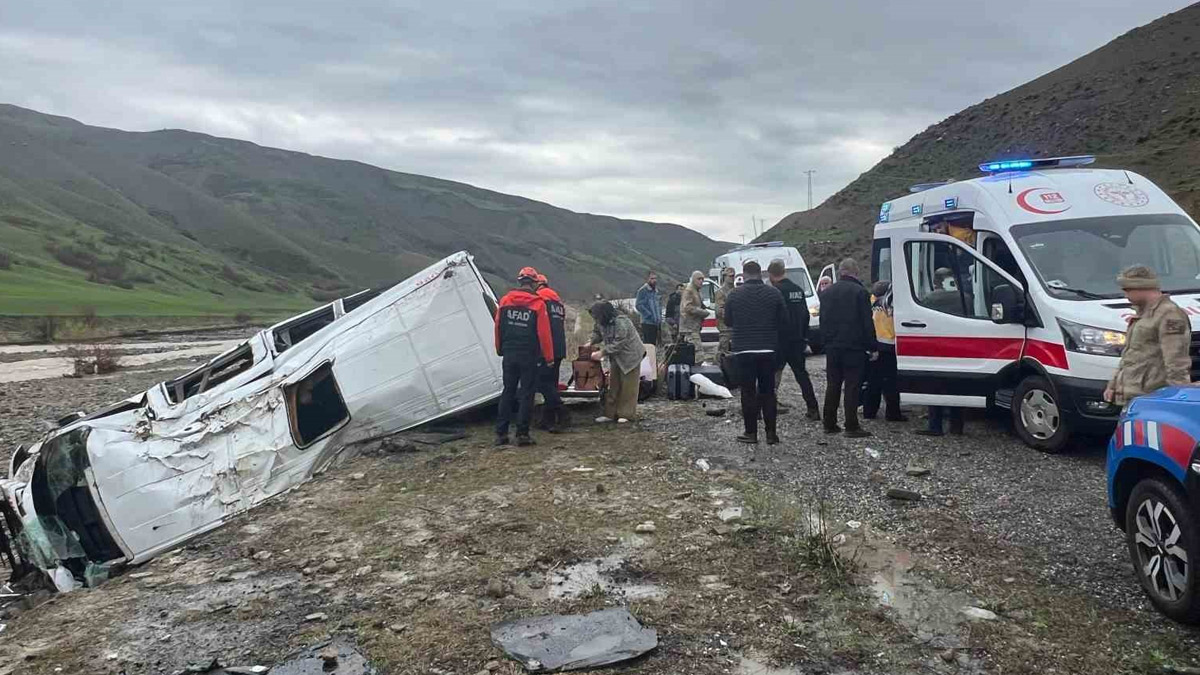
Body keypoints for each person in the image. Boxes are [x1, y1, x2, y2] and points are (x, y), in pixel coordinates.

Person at [1104, 265, 1192, 407]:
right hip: (1134, 396)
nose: (1125, 295)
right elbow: (1131, 355)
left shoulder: (1169, 315)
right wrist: (1113, 384)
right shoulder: (1142, 314)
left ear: (1141, 287)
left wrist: (1178, 399)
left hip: (1152, 398)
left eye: (1127, 290)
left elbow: (1176, 361)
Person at [724, 261, 788, 445]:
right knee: (768, 392)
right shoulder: (774, 293)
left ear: (743, 275)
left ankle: (750, 433)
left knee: (748, 392)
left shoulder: (734, 295)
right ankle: (771, 434)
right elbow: (784, 320)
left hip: (743, 350)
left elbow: (728, 321)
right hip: (768, 349)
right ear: (761, 274)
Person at [494, 267, 554, 446]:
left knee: (508, 392)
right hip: (529, 356)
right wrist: (549, 357)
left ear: (519, 281)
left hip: (510, 354)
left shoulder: (505, 301)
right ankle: (522, 435)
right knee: (527, 394)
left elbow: (498, 327)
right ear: (534, 283)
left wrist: (499, 349)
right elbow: (544, 333)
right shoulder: (538, 304)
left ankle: (501, 434)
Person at [819, 258, 875, 438]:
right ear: (855, 272)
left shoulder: (827, 293)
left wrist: (826, 342)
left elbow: (823, 321)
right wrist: (872, 346)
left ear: (841, 272)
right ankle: (851, 425)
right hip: (854, 347)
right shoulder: (860, 292)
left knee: (833, 384)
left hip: (833, 347)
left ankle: (829, 423)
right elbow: (867, 322)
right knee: (852, 386)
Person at [768, 259, 821, 421]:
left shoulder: (774, 292)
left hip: (780, 341)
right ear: (784, 271)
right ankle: (813, 408)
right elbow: (805, 316)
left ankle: (770, 405)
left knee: (774, 373)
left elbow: (772, 319)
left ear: (771, 274)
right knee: (802, 375)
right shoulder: (798, 290)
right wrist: (804, 337)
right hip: (797, 341)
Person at [588, 301, 646, 424]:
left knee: (628, 386)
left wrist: (602, 353)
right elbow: (597, 332)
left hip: (631, 355)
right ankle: (610, 414)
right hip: (616, 357)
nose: (596, 320)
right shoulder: (601, 321)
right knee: (613, 385)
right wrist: (590, 342)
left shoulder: (621, 322)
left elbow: (620, 342)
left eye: (597, 317)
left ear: (604, 314)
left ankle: (626, 414)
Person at [863, 280, 904, 422]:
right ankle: (893, 413)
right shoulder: (889, 306)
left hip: (874, 346)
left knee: (873, 381)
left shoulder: (871, 304)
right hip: (888, 346)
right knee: (891, 382)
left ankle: (869, 412)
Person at [534, 274, 568, 432]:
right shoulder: (558, 301)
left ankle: (563, 414)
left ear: (538, 285)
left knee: (543, 383)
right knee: (551, 384)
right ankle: (547, 420)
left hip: (547, 348)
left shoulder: (539, 299)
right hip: (560, 347)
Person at [680, 271, 709, 347]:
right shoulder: (689, 291)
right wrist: (702, 312)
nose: (701, 281)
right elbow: (687, 307)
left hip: (695, 326)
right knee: (698, 352)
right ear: (693, 279)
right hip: (689, 327)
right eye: (699, 279)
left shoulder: (696, 291)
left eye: (702, 279)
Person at [635, 271, 662, 346]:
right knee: (648, 345)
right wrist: (648, 315)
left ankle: (653, 357)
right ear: (647, 279)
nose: (654, 280)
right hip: (647, 322)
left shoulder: (656, 291)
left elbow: (658, 305)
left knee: (654, 344)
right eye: (652, 278)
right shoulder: (642, 291)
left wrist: (659, 317)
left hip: (656, 322)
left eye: (655, 278)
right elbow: (638, 305)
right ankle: (648, 358)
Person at [714, 267, 736, 354]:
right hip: (725, 327)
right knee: (723, 351)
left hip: (735, 327)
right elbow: (719, 310)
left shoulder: (736, 291)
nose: (732, 278)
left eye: (733, 276)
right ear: (725, 277)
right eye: (730, 276)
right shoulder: (720, 292)